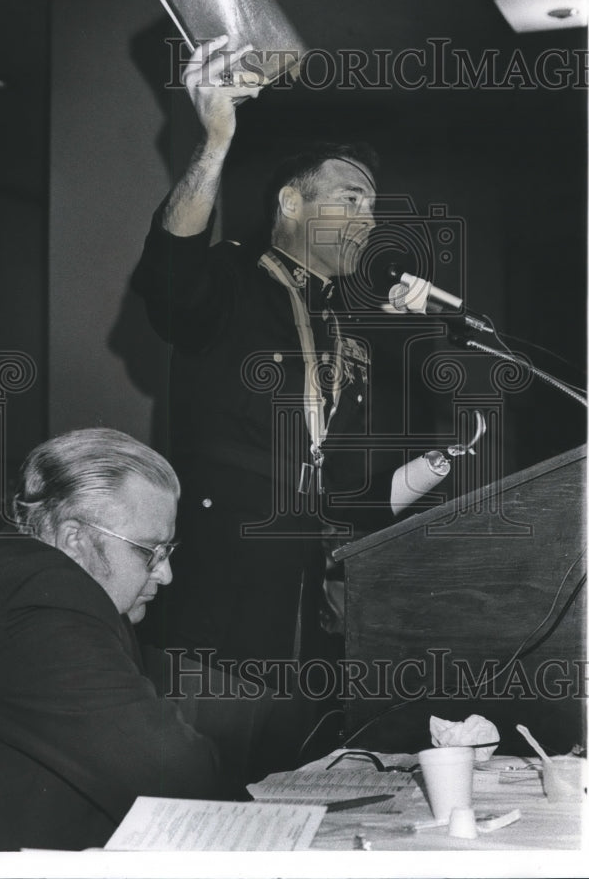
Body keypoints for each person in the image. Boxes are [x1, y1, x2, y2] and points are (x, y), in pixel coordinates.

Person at [132, 36, 429, 676]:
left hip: (311, 600)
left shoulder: (346, 331)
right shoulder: (232, 278)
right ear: (292, 203)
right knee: (214, 759)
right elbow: (170, 276)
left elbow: (348, 489)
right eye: (351, 198)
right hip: (222, 583)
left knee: (296, 759)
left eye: (373, 206)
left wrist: (435, 465)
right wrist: (213, 142)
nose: (369, 218)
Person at [0, 428, 257, 851]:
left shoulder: (21, 576)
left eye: (169, 551)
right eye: (149, 550)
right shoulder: (44, 601)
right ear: (75, 541)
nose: (165, 574)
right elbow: (179, 778)